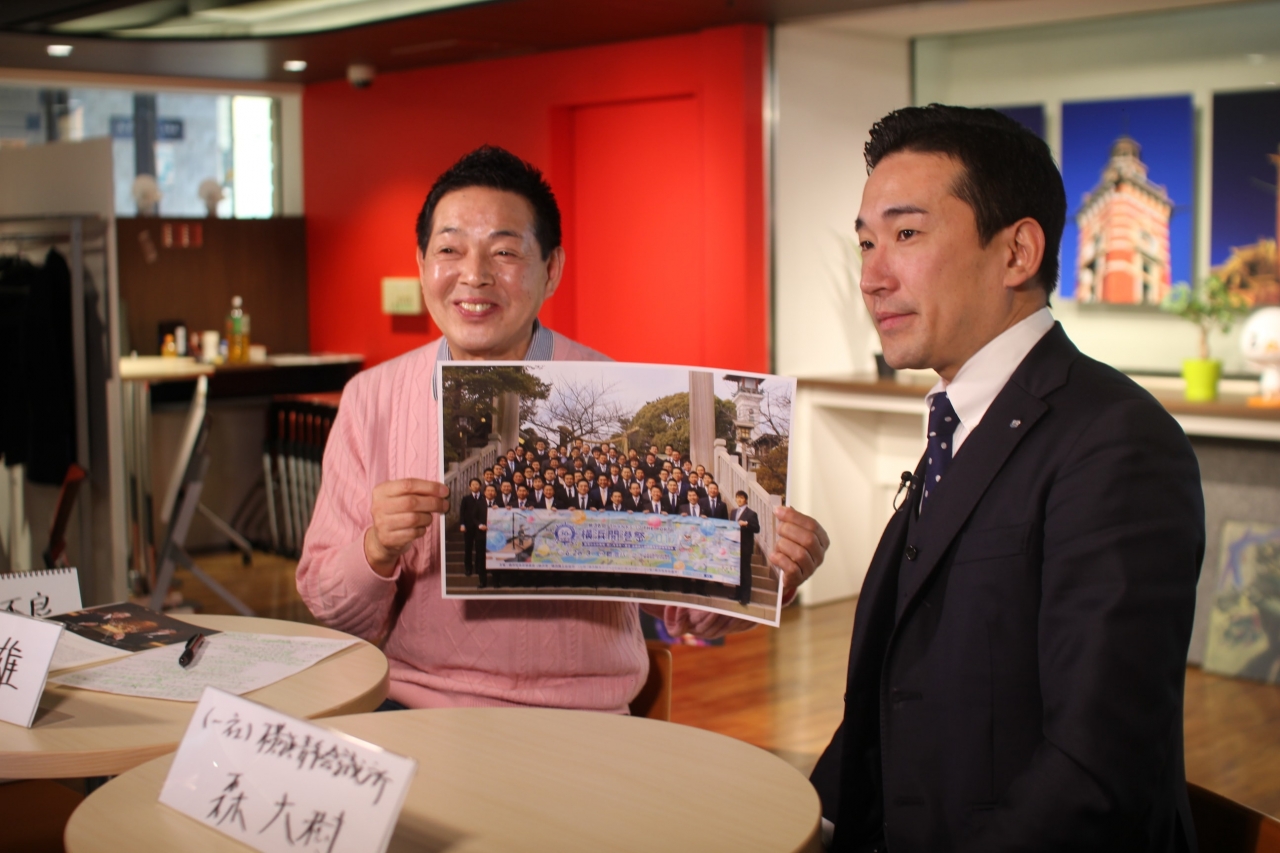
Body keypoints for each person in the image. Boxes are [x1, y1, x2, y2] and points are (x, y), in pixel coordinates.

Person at [298, 145, 828, 714]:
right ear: (422, 264)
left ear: (551, 270)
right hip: (417, 708)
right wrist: (375, 549)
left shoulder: (612, 387)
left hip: (585, 716)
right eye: (449, 249)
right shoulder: (371, 398)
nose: (474, 274)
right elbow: (332, 609)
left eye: (504, 251)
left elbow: (690, 614)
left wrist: (773, 571)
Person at [808, 106, 1203, 852]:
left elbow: (1094, 772)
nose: (872, 277)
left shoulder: (1119, 442)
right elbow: (890, 708)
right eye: (866, 243)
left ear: (1018, 251)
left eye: (906, 235)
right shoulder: (956, 420)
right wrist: (810, 826)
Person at [731, 491, 759, 607]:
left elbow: (757, 528)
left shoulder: (751, 514)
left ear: (746, 500)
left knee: (745, 572)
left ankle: (745, 598)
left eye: (741, 498)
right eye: (737, 497)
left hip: (745, 547)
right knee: (737, 572)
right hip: (734, 546)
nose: (739, 500)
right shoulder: (733, 512)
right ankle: (737, 594)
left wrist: (746, 524)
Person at [459, 478, 485, 577]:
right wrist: (462, 524)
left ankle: (478, 568)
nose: (475, 486)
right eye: (473, 484)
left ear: (480, 486)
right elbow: (462, 512)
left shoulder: (483, 498)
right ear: (470, 487)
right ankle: (468, 568)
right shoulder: (466, 499)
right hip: (468, 527)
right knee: (468, 548)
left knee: (479, 549)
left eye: (477, 484)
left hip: (480, 527)